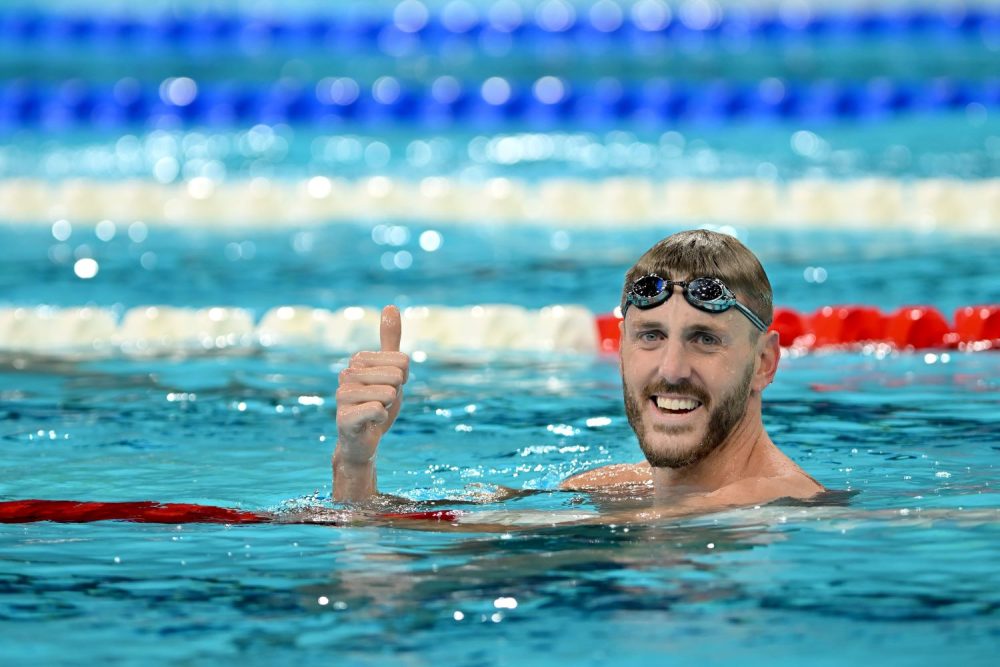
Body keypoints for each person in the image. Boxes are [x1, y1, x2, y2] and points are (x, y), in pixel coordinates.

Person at [333, 229, 824, 513]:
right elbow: (382, 521)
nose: (672, 370)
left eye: (705, 339)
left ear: (764, 363)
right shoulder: (608, 488)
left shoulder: (776, 504)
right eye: (650, 336)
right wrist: (355, 458)